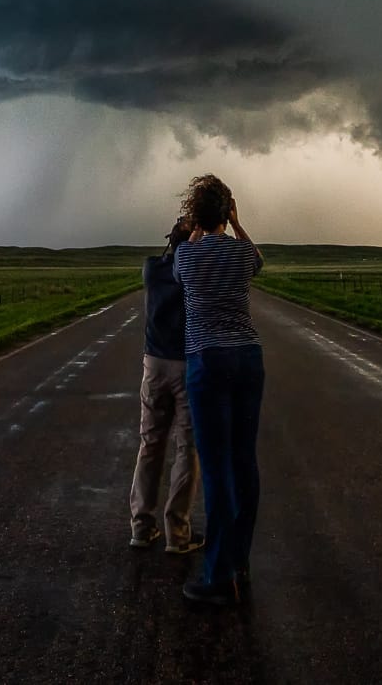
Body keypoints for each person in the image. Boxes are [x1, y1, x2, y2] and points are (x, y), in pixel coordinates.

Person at [171, 174, 264, 607]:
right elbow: (258, 259)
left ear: (196, 215)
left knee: (216, 467)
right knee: (244, 462)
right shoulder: (243, 252)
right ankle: (239, 561)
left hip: (207, 361)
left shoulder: (187, 259)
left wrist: (197, 227)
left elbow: (178, 260)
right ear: (226, 212)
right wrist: (238, 223)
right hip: (248, 358)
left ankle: (217, 575)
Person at [129, 216, 202, 554]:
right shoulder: (194, 272)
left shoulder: (151, 268)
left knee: (150, 444)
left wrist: (185, 238)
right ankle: (178, 533)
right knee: (187, 449)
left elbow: (170, 257)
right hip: (187, 364)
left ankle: (141, 528)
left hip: (153, 364)